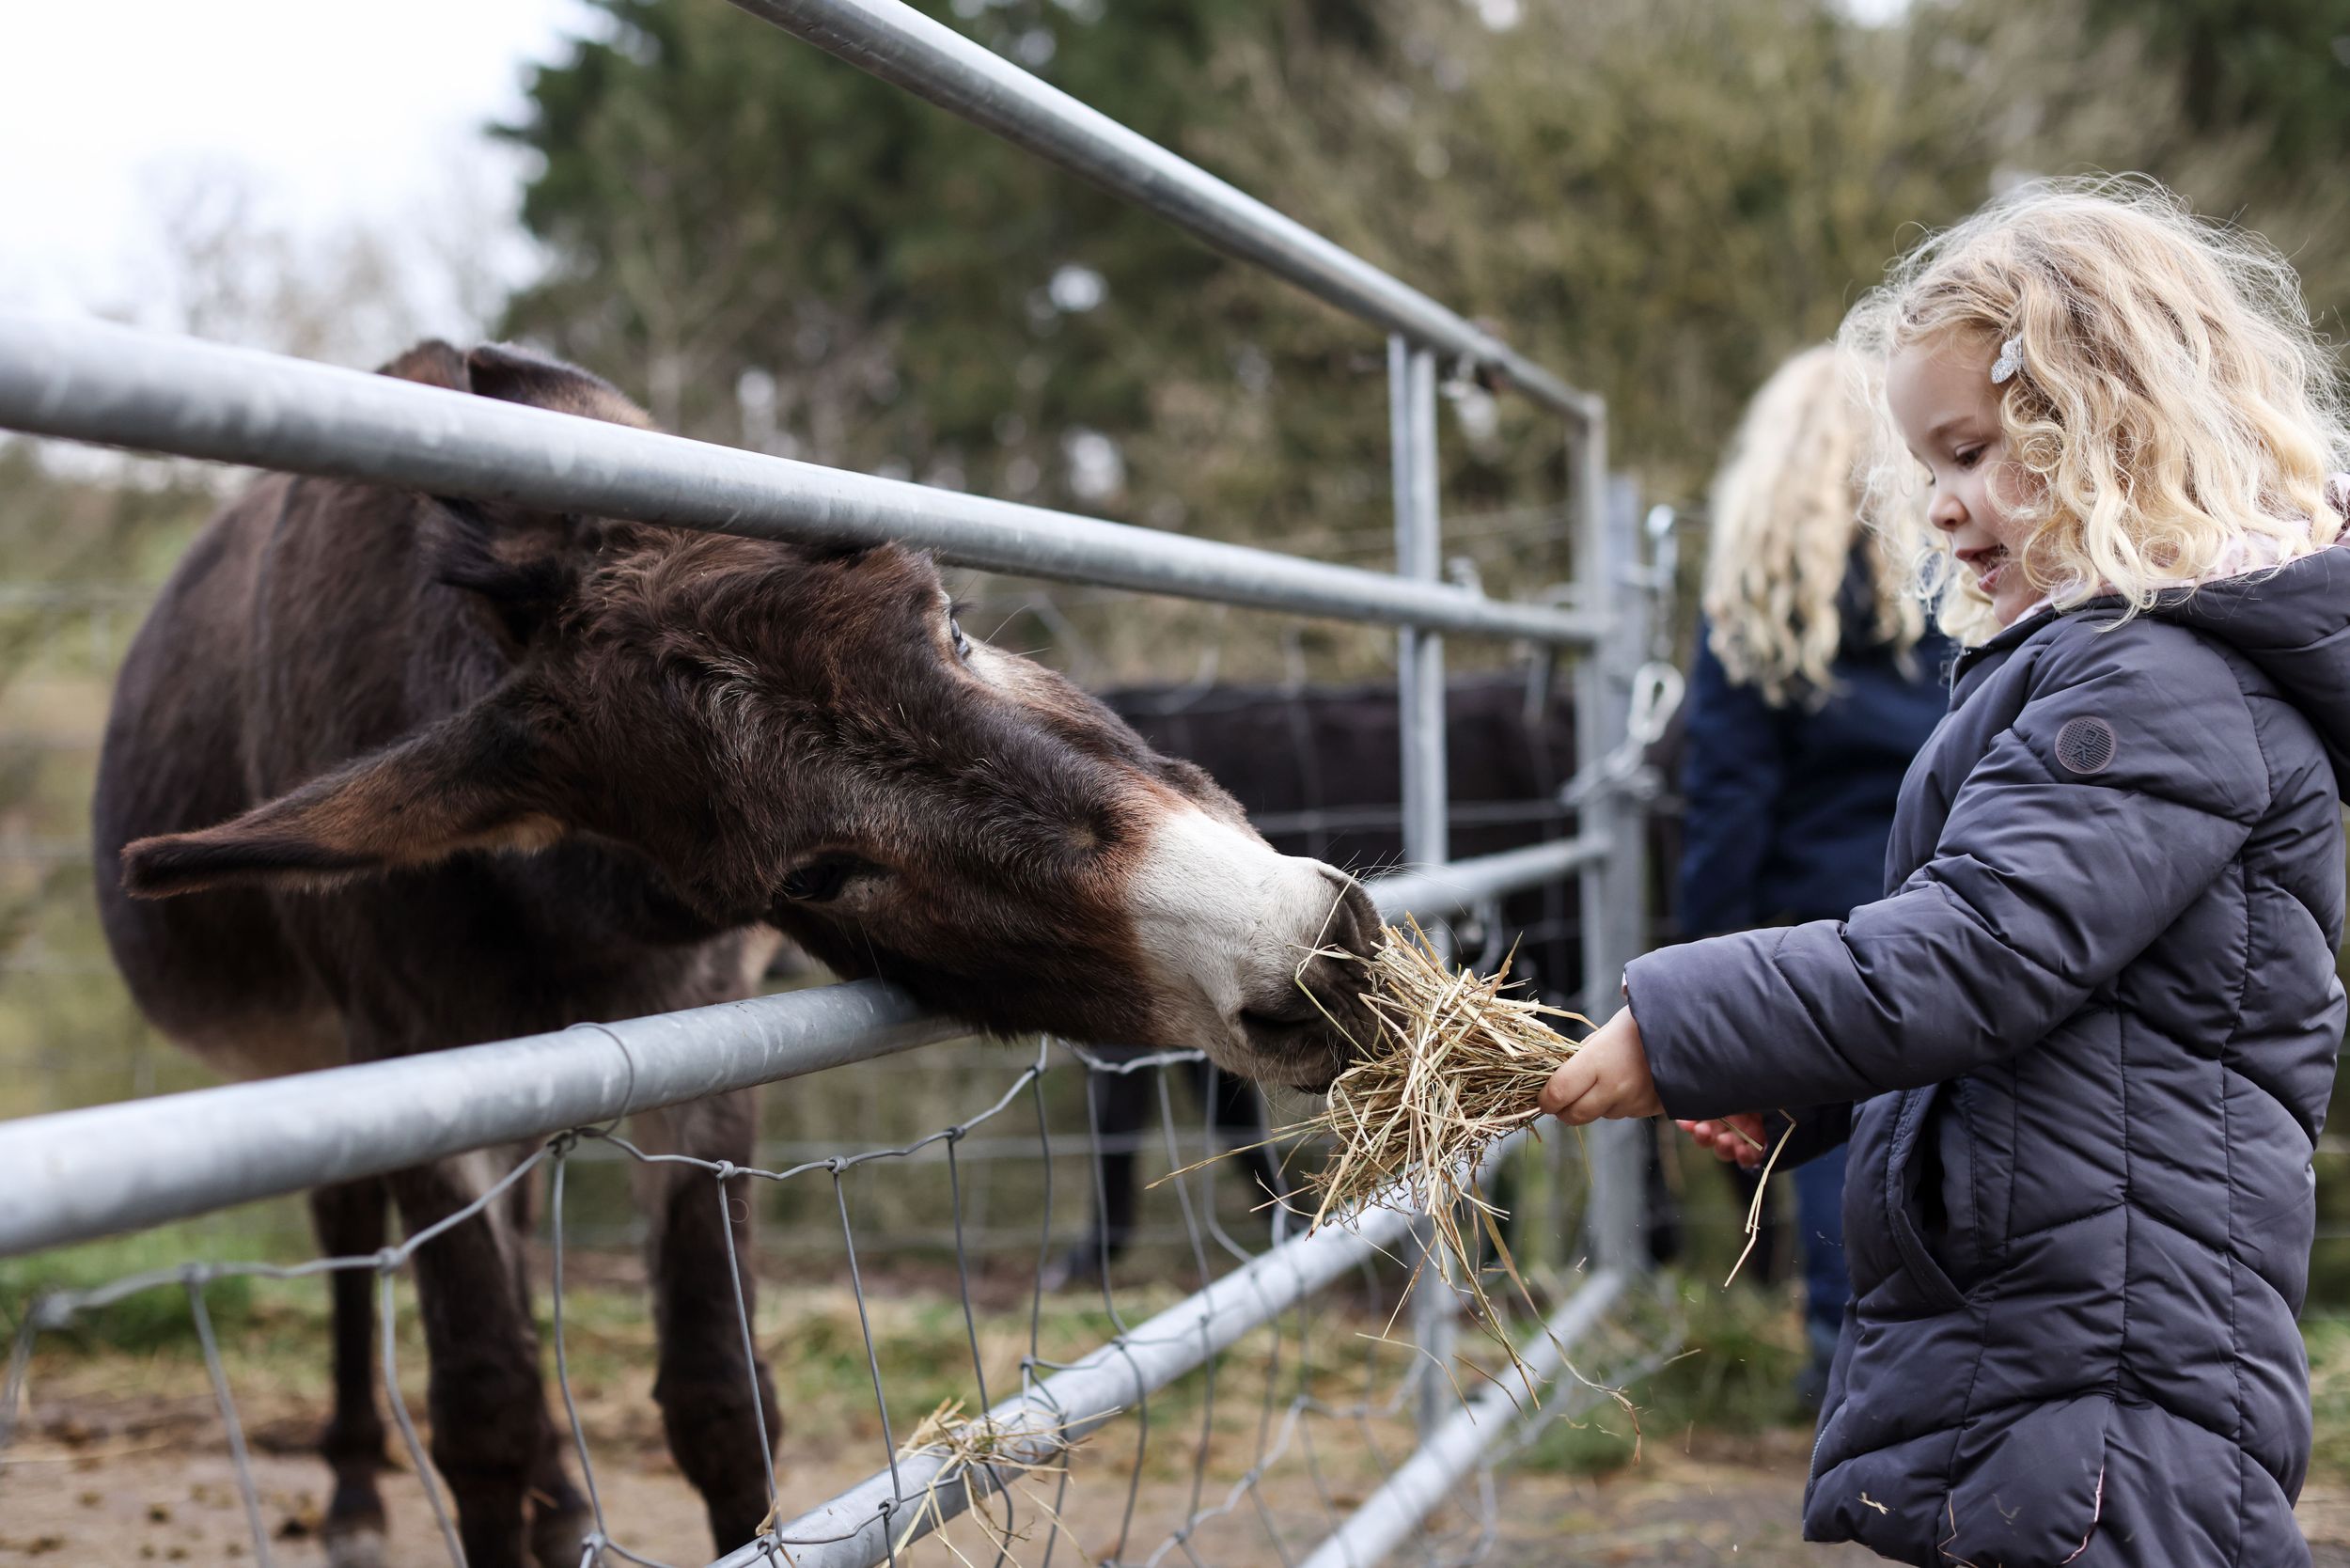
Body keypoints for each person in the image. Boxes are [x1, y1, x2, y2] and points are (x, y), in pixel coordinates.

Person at [1540, 176, 2350, 1564]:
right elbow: (2034, 1008)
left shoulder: (2154, 684)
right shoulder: (2088, 666)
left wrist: (1683, 1029)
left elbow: (1974, 952)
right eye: (1928, 470)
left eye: (1971, 454)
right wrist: (1798, 1082)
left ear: (2106, 422)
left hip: (2107, 1358)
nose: (1944, 509)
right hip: (2056, 1321)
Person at [1677, 343, 1953, 1407]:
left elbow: (1728, 802)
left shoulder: (1757, 605)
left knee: (1843, 1131)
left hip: (1832, 919)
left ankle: (1848, 1356)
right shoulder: (1958, 576)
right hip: (1969, 892)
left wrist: (1701, 968)